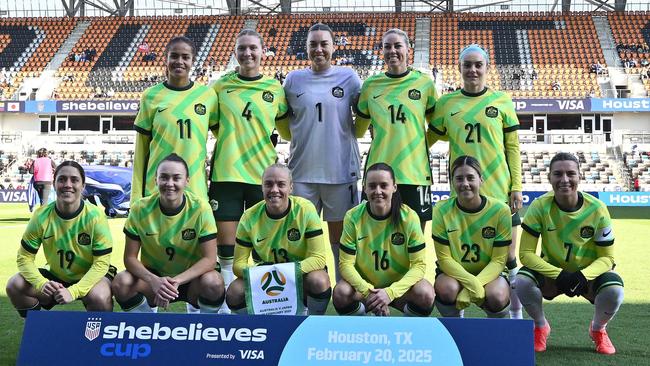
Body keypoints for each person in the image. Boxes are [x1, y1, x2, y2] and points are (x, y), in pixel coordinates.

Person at [429, 44, 523, 319]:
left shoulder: (502, 101)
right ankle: (459, 322)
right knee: (458, 259)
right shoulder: (447, 103)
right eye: (467, 65)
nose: (472, 69)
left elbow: (513, 147)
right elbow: (428, 139)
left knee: (508, 258)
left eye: (477, 64)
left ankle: (515, 317)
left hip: (499, 192)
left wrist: (516, 186)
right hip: (463, 193)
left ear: (486, 67)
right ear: (459, 69)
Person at [277, 23, 362, 281]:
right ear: (306, 48)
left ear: (333, 47)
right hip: (302, 173)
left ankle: (343, 292)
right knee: (300, 238)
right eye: (313, 44)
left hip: (340, 172)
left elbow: (363, 119)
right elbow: (284, 123)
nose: (318, 49)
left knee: (340, 236)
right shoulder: (293, 80)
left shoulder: (349, 78)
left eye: (324, 43)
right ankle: (307, 294)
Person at [515, 152, 624, 354]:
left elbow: (607, 258)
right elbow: (526, 254)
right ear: (549, 178)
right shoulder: (539, 206)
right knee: (521, 281)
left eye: (570, 174)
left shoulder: (598, 209)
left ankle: (598, 330)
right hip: (553, 275)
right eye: (558, 174)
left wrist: (583, 276)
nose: (564, 179)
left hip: (587, 277)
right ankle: (540, 326)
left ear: (579, 177)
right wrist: (559, 275)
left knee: (615, 290)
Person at [208, 29, 288, 292]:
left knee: (265, 245)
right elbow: (214, 125)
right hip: (227, 172)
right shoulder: (220, 86)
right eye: (242, 48)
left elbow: (285, 129)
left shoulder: (275, 89)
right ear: (235, 52)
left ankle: (269, 302)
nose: (247, 53)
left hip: (263, 177)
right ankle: (229, 303)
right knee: (227, 248)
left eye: (253, 48)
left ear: (263, 52)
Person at [113, 154, 224, 313]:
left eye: (176, 178)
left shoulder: (201, 209)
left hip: (191, 279)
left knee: (214, 282)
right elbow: (129, 258)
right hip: (154, 280)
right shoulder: (140, 209)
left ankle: (203, 330)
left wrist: (176, 281)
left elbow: (210, 259)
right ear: (155, 180)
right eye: (164, 177)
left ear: (186, 181)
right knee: (121, 282)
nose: (169, 183)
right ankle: (146, 326)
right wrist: (154, 281)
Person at [354, 28, 438, 230]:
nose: (392, 50)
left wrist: (418, 145)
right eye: (387, 46)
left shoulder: (425, 83)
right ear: (381, 51)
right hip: (378, 174)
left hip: (415, 173)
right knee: (377, 235)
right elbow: (358, 131)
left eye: (397, 45)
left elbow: (437, 127)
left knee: (415, 236)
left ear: (408, 49)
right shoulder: (371, 86)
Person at [6, 161, 115, 317]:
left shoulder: (95, 217)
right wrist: (41, 283)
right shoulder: (41, 216)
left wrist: (74, 291)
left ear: (83, 186)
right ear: (54, 184)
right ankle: (38, 332)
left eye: (74, 180)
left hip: (92, 276)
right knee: (14, 284)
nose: (67, 184)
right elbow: (24, 257)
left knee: (99, 296)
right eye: (62, 179)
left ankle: (96, 340)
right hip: (57, 277)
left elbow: (101, 263)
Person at [225, 164, 330, 315]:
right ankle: (254, 329)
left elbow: (319, 259)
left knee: (319, 280)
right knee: (235, 291)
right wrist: (261, 272)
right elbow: (238, 265)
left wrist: (285, 272)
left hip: (301, 276)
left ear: (291, 188)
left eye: (281, 184)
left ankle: (313, 321)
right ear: (262, 187)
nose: (274, 190)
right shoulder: (249, 217)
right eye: (268, 184)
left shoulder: (305, 209)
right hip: (267, 278)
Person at [332, 163, 434, 317]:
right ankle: (360, 329)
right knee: (340, 292)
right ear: (365, 188)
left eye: (383, 185)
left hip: (400, 290)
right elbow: (345, 264)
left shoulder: (409, 217)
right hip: (366, 291)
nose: (377, 191)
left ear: (394, 187)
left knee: (426, 293)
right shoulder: (353, 217)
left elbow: (419, 265)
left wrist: (391, 292)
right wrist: (368, 292)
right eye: (372, 186)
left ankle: (407, 334)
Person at [131, 36, 218, 205]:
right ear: (166, 59)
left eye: (185, 57)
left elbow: (222, 138)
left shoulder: (208, 96)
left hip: (195, 191)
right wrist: (136, 196)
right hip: (157, 190)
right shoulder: (150, 96)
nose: (180, 61)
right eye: (174, 56)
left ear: (193, 61)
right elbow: (141, 151)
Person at [432, 156, 511, 318]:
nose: (465, 184)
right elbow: (444, 259)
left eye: (470, 178)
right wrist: (472, 283)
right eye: (459, 179)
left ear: (481, 180)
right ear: (452, 182)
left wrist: (471, 288)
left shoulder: (500, 210)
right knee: (447, 289)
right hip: (452, 273)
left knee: (497, 295)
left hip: (490, 273)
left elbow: (499, 261)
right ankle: (455, 328)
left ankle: (496, 334)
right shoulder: (441, 210)